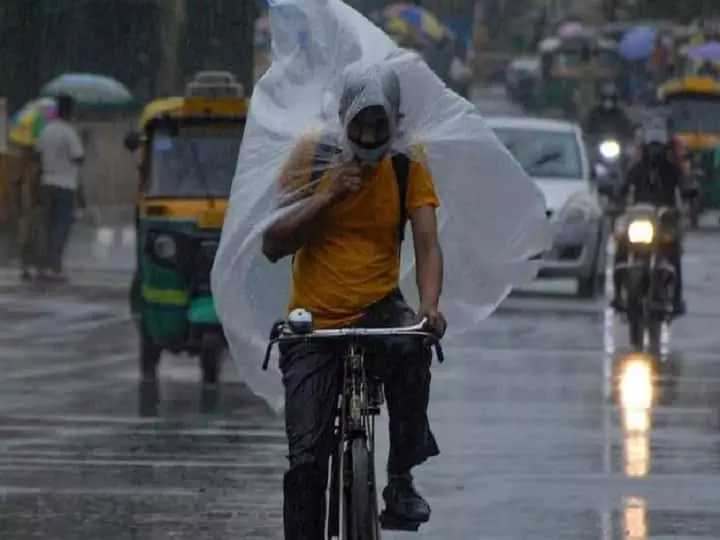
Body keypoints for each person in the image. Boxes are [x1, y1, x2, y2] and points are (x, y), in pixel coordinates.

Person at [262, 64, 446, 539]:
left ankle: (400, 478)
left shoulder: (407, 162)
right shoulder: (313, 154)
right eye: (360, 124)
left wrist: (429, 306)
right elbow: (273, 243)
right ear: (343, 118)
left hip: (380, 306)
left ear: (394, 123)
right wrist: (324, 197)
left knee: (413, 351)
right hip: (315, 322)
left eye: (378, 125)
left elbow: (427, 241)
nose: (368, 135)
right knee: (306, 463)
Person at [611, 121, 696, 315]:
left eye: (659, 146)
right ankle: (617, 293)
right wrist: (616, 200)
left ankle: (676, 299)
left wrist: (686, 198)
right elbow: (624, 186)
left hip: (665, 217)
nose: (655, 151)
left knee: (673, 250)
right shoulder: (637, 167)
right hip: (639, 216)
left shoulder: (671, 169)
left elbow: (684, 185)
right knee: (622, 243)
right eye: (652, 146)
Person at [35, 94, 85, 282]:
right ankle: (55, 267)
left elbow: (38, 153)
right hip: (65, 185)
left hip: (46, 182)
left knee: (47, 225)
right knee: (61, 226)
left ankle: (42, 266)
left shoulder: (46, 131)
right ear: (70, 111)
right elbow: (78, 157)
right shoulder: (69, 132)